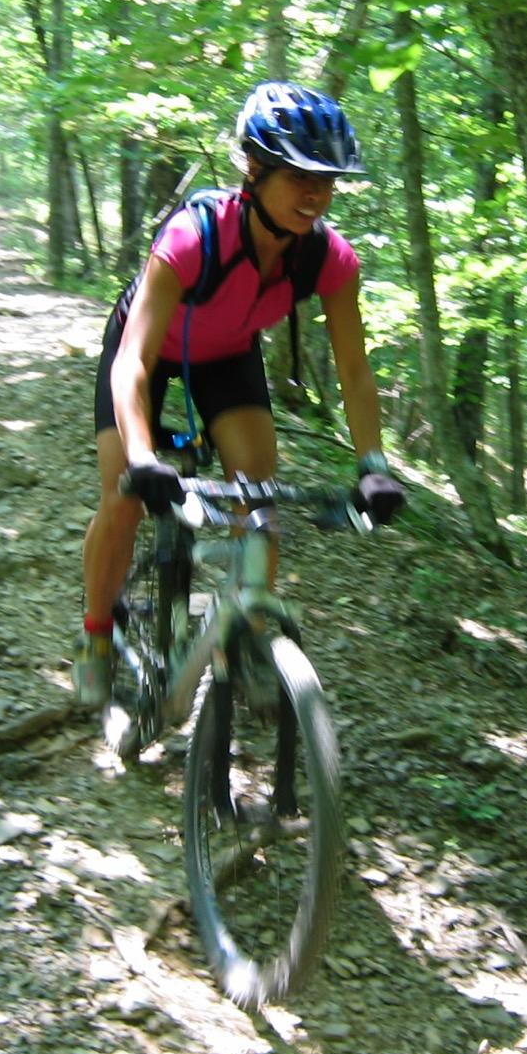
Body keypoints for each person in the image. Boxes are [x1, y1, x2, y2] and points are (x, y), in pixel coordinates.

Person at [73, 81, 406, 708]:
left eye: (328, 180)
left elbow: (355, 371)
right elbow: (133, 364)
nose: (317, 194)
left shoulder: (331, 260)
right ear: (254, 169)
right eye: (300, 175)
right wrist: (145, 458)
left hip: (228, 356)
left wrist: (373, 466)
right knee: (122, 495)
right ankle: (96, 633)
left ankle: (247, 640)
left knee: (258, 496)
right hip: (146, 350)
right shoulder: (192, 239)